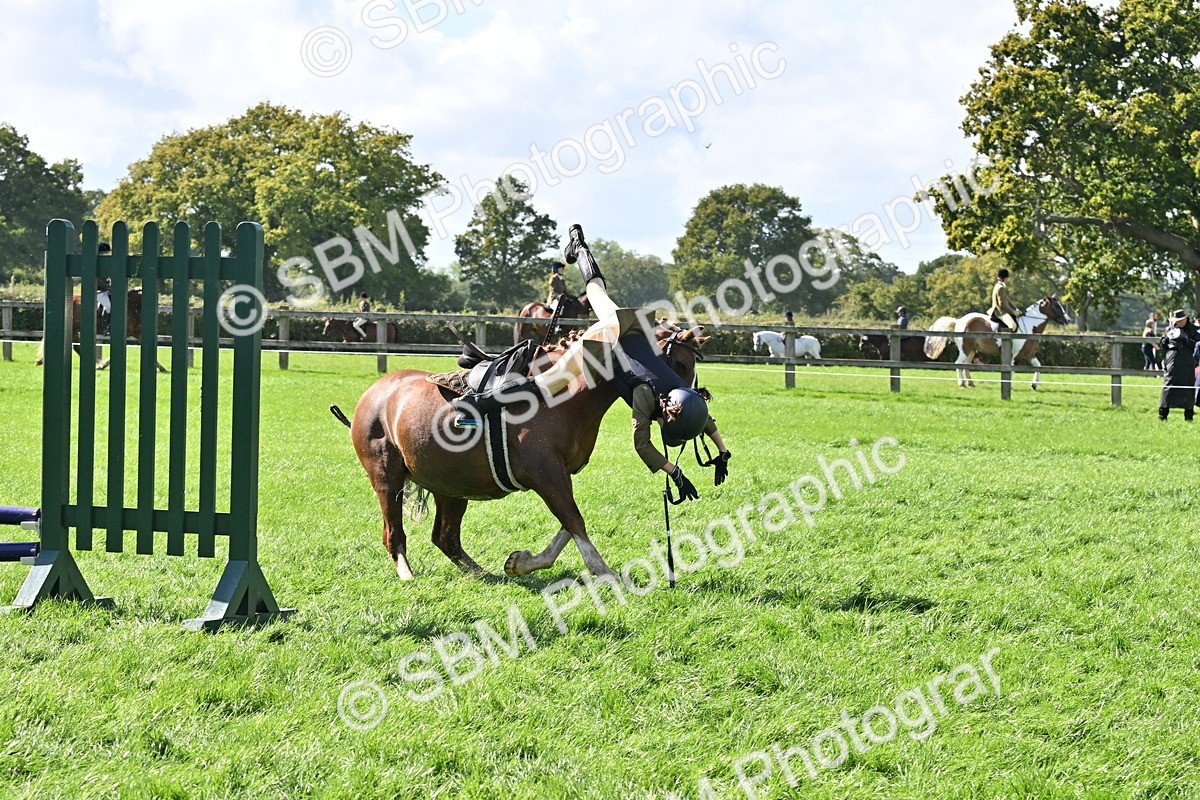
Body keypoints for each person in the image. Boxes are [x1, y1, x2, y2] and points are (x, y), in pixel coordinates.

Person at [454, 224, 731, 499]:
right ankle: (474, 404)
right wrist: (674, 472)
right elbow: (643, 446)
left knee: (596, 287)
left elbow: (702, 416)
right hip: (605, 342)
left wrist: (722, 450)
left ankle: (578, 245)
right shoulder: (646, 397)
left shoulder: (680, 391)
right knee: (546, 383)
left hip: (629, 323)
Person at [1157, 309, 1200, 421]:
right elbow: (1162, 345)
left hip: (1187, 363)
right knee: (1168, 386)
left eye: (1180, 320)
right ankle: (1163, 415)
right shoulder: (1169, 330)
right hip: (1172, 361)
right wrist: (1165, 341)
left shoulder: (1194, 330)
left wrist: (1189, 342)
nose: (1178, 322)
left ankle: (1188, 416)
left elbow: (1198, 344)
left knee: (1188, 387)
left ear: (1185, 319)